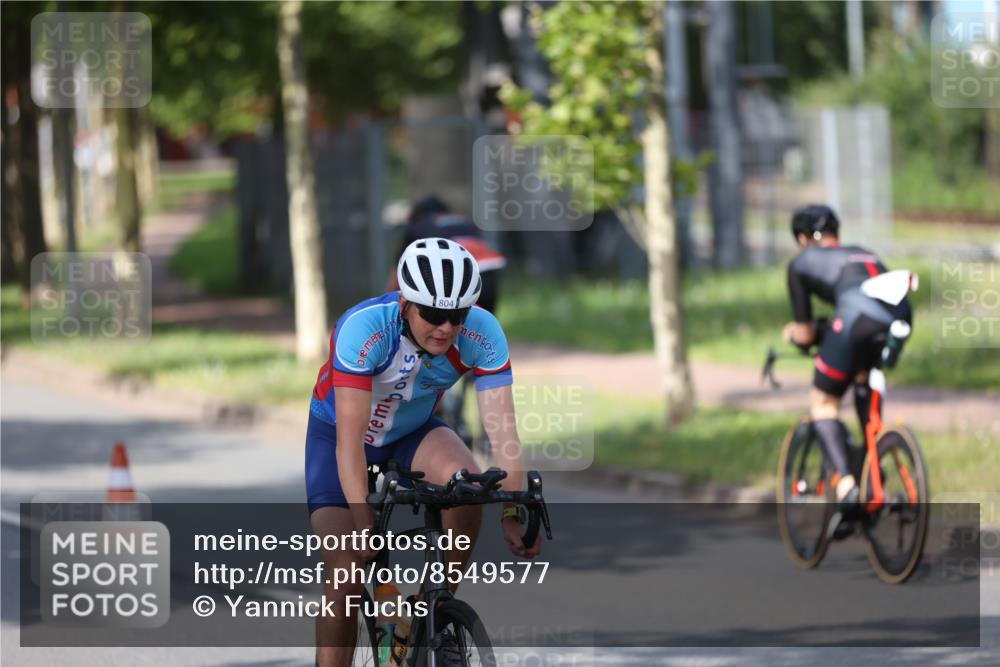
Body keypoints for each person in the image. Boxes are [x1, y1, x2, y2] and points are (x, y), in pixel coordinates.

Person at [306, 237, 537, 666]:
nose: (446, 327)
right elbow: (350, 442)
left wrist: (512, 510)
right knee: (345, 577)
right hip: (340, 436)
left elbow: (503, 432)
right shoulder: (364, 328)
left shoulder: (484, 333)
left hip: (413, 432)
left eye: (457, 315)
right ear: (406, 302)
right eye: (433, 314)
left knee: (467, 484)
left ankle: (432, 612)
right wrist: (362, 522)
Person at [783, 204, 913, 515]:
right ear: (835, 234)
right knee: (861, 379)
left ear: (802, 238)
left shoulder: (801, 262)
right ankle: (874, 465)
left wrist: (793, 334)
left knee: (824, 403)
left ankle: (846, 487)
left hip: (855, 319)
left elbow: (804, 333)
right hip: (898, 317)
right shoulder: (864, 253)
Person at [387, 195, 505, 313]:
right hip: (487, 267)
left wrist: (389, 304)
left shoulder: (418, 225)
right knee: (484, 322)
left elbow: (399, 269)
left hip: (461, 272)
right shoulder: (464, 220)